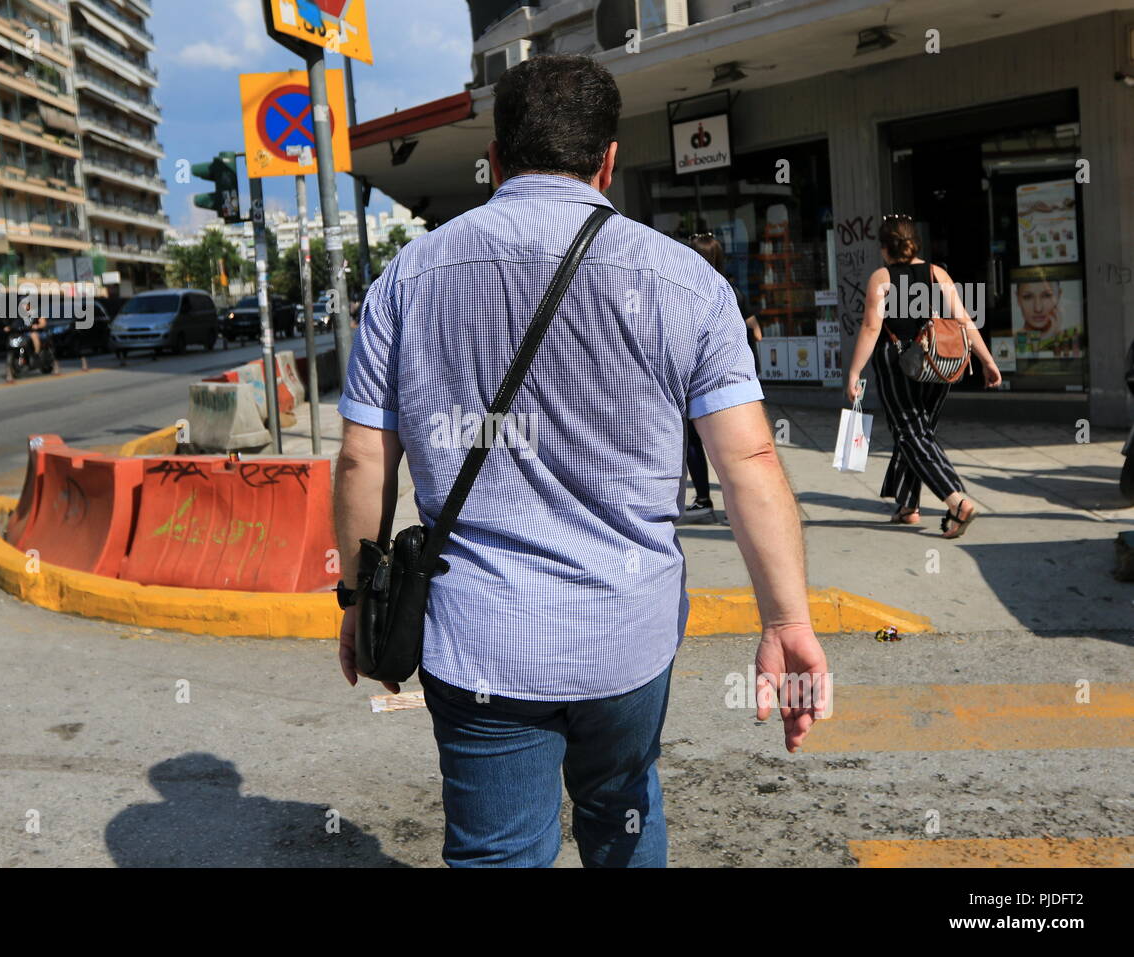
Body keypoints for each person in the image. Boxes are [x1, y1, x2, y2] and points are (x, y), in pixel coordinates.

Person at [332, 54, 828, 868]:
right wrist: (786, 619)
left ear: (495, 155)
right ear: (607, 160)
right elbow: (748, 459)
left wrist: (358, 595)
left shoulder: (409, 277)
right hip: (625, 637)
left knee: (498, 852)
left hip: (479, 640)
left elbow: (360, 459)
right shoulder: (687, 283)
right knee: (622, 811)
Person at [844, 214, 1001, 538]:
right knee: (919, 431)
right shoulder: (936, 273)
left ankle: (956, 501)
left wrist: (855, 371)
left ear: (885, 248)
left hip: (898, 361)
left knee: (909, 432)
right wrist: (987, 360)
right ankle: (908, 506)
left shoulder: (882, 278)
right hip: (938, 361)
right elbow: (964, 321)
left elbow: (872, 327)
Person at [678, 233, 762, 524]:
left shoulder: (687, 293)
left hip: (698, 380)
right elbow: (757, 331)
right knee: (734, 447)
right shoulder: (732, 291)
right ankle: (739, 509)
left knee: (693, 443)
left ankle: (703, 499)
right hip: (735, 382)